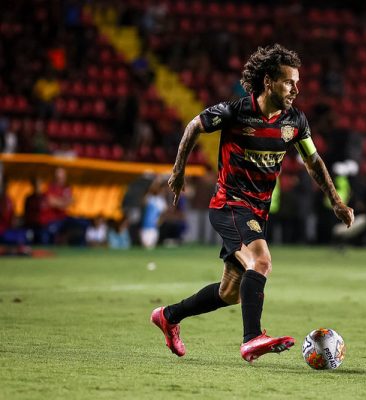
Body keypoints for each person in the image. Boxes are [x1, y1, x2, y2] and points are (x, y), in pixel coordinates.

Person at [151, 44, 354, 363]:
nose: (296, 89)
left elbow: (313, 161)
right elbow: (194, 126)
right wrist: (178, 172)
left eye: (297, 82)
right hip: (229, 205)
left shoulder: (295, 121)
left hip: (257, 213)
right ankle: (251, 338)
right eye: (289, 82)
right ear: (269, 81)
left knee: (229, 292)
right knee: (261, 262)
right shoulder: (236, 112)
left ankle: (168, 316)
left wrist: (337, 201)